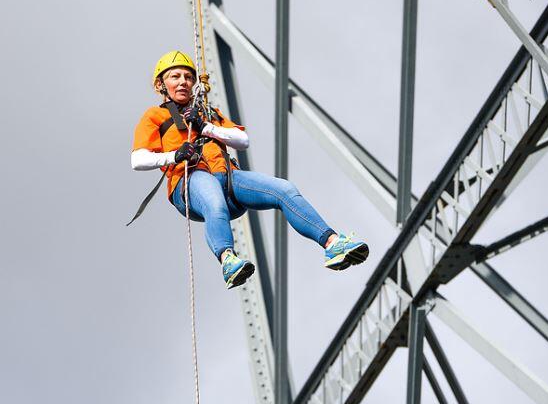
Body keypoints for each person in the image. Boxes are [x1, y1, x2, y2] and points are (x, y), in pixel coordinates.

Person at [130, 50, 369, 289]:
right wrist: (175, 155)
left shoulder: (207, 113)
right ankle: (228, 260)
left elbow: (241, 140)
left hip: (228, 178)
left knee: (284, 190)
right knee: (214, 201)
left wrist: (205, 127)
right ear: (162, 84)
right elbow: (138, 159)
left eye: (187, 77)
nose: (183, 81)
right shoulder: (155, 116)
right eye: (175, 76)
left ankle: (332, 243)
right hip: (189, 180)